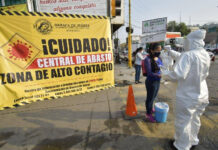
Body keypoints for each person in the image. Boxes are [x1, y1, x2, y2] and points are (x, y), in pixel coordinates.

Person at [163, 30, 210, 150]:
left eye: (187, 41)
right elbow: (182, 57)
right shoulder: (205, 54)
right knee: (195, 119)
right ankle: (193, 140)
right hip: (202, 94)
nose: (185, 44)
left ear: (192, 42)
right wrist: (170, 51)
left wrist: (164, 74)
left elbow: (177, 75)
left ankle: (181, 146)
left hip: (187, 96)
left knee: (183, 122)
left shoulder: (188, 55)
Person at [144, 43, 163, 122]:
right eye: (157, 50)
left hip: (157, 81)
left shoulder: (159, 58)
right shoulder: (147, 59)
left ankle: (150, 109)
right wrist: (158, 75)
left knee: (154, 97)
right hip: (151, 81)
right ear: (151, 50)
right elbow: (149, 73)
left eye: (160, 50)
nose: (159, 52)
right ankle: (148, 114)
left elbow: (161, 67)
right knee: (150, 98)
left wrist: (164, 73)